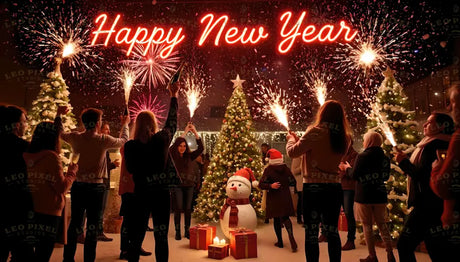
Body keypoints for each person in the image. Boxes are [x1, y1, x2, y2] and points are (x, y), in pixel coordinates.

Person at [57, 106, 130, 262]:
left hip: (78, 186)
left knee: (75, 223)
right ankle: (89, 259)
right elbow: (123, 140)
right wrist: (125, 124)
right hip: (96, 189)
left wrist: (58, 115)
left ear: (84, 123)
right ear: (97, 123)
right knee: (92, 226)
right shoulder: (102, 140)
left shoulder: (76, 137)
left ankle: (67, 258)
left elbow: (60, 132)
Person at [286, 100, 352, 262]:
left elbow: (293, 152)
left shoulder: (314, 131)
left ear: (322, 114)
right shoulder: (345, 137)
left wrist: (291, 140)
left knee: (311, 233)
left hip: (313, 189)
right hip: (334, 188)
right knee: (332, 232)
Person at [124, 82, 180, 262]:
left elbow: (131, 169)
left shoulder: (130, 146)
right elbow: (172, 122)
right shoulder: (161, 140)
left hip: (140, 194)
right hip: (161, 194)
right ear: (153, 124)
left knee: (136, 236)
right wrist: (173, 95)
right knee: (161, 236)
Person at [394, 112, 454, 261]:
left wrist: (404, 163)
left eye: (429, 122)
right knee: (436, 248)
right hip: (434, 205)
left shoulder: (434, 145)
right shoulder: (436, 143)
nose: (425, 125)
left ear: (440, 126)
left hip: (426, 206)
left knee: (404, 245)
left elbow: (424, 176)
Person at [23, 121, 78, 261]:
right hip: (49, 212)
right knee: (43, 253)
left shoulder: (24, 156)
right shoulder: (52, 158)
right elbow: (61, 187)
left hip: (28, 209)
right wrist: (71, 173)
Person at [339, 131, 395, 262]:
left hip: (364, 196)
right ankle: (390, 254)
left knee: (367, 226)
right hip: (380, 195)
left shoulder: (362, 156)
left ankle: (372, 256)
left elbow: (354, 175)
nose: (363, 142)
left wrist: (347, 167)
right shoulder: (385, 158)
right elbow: (386, 176)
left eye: (364, 139)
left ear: (369, 141)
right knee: (383, 225)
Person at [0, 105, 35, 262]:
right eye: (24, 121)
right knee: (23, 253)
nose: (26, 124)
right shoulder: (25, 148)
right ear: (16, 125)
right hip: (19, 207)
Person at [431, 83, 460, 256]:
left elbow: (444, 185)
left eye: (452, 102)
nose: (449, 107)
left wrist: (436, 169)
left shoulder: (457, 139)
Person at [259, 149, 298, 252]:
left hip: (274, 198)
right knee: (286, 217)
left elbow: (261, 184)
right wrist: (285, 185)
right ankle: (291, 236)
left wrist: (270, 185)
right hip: (285, 196)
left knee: (276, 219)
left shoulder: (269, 170)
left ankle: (280, 242)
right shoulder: (286, 168)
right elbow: (293, 181)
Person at [170, 123, 204, 240]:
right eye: (180, 145)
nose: (182, 148)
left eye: (184, 146)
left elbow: (201, 148)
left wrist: (194, 132)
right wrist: (184, 133)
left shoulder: (189, 156)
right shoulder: (173, 155)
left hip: (189, 185)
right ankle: (178, 231)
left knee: (188, 209)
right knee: (178, 208)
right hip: (177, 185)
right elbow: (172, 147)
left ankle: (187, 231)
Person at [118, 145, 152, 260]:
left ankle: (135, 246)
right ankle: (125, 249)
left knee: (138, 221)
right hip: (129, 187)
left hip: (137, 187)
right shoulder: (127, 146)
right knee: (128, 220)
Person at [98, 123, 120, 242]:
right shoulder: (100, 145)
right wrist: (112, 165)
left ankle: (97, 231)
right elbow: (101, 165)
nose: (108, 131)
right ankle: (98, 232)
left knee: (101, 208)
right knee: (100, 208)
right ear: (100, 130)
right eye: (106, 129)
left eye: (109, 129)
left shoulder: (104, 146)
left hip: (105, 182)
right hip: (102, 182)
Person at [339, 143, 358, 251]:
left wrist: (343, 169)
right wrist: (342, 168)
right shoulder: (340, 154)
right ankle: (326, 233)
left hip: (349, 188)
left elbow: (352, 172)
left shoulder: (354, 155)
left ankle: (351, 240)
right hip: (339, 185)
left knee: (349, 213)